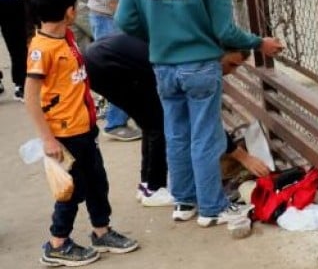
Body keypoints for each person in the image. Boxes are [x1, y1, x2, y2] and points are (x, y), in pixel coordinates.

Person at [115, 0, 284, 228]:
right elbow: (226, 33)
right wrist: (259, 42)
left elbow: (125, 21)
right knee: (205, 136)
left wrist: (160, 37)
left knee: (175, 133)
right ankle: (212, 207)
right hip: (200, 68)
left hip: (163, 65)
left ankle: (184, 201)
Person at [23, 0, 139, 267]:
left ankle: (102, 231)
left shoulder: (67, 38)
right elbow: (30, 98)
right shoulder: (42, 49)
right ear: (69, 11)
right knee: (72, 190)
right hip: (64, 133)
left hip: (84, 128)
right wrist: (48, 139)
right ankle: (57, 243)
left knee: (97, 182)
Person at [84, 33, 272, 210]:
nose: (231, 72)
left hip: (102, 58)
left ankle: (147, 186)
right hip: (107, 65)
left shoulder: (194, 49)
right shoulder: (194, 67)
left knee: (152, 122)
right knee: (158, 123)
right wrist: (243, 157)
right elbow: (203, 120)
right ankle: (153, 188)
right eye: (232, 64)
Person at [89, 0, 159, 142]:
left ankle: (122, 119)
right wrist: (135, 31)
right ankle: (115, 123)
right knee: (118, 70)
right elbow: (114, 2)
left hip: (119, 16)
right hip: (109, 17)